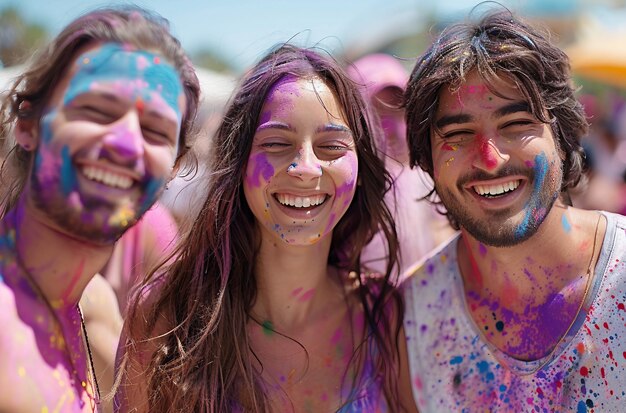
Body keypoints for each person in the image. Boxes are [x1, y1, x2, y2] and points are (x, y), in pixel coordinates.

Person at [116, 44, 416, 412]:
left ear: (361, 164)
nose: (305, 168)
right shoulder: (165, 314)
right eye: (276, 143)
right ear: (237, 161)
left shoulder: (384, 314)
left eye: (331, 146)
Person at [401, 7, 626, 412]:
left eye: (516, 123)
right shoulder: (410, 315)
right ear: (427, 159)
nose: (489, 158)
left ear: (561, 134)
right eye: (458, 133)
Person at [0, 7, 199, 413]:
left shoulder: (97, 309)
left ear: (173, 168)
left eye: (155, 132)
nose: (125, 144)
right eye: (96, 110)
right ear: (28, 123)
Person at [347, 53, 454, 276]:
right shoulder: (347, 192)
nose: (392, 128)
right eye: (376, 113)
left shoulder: (426, 177)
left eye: (398, 109)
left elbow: (443, 238)